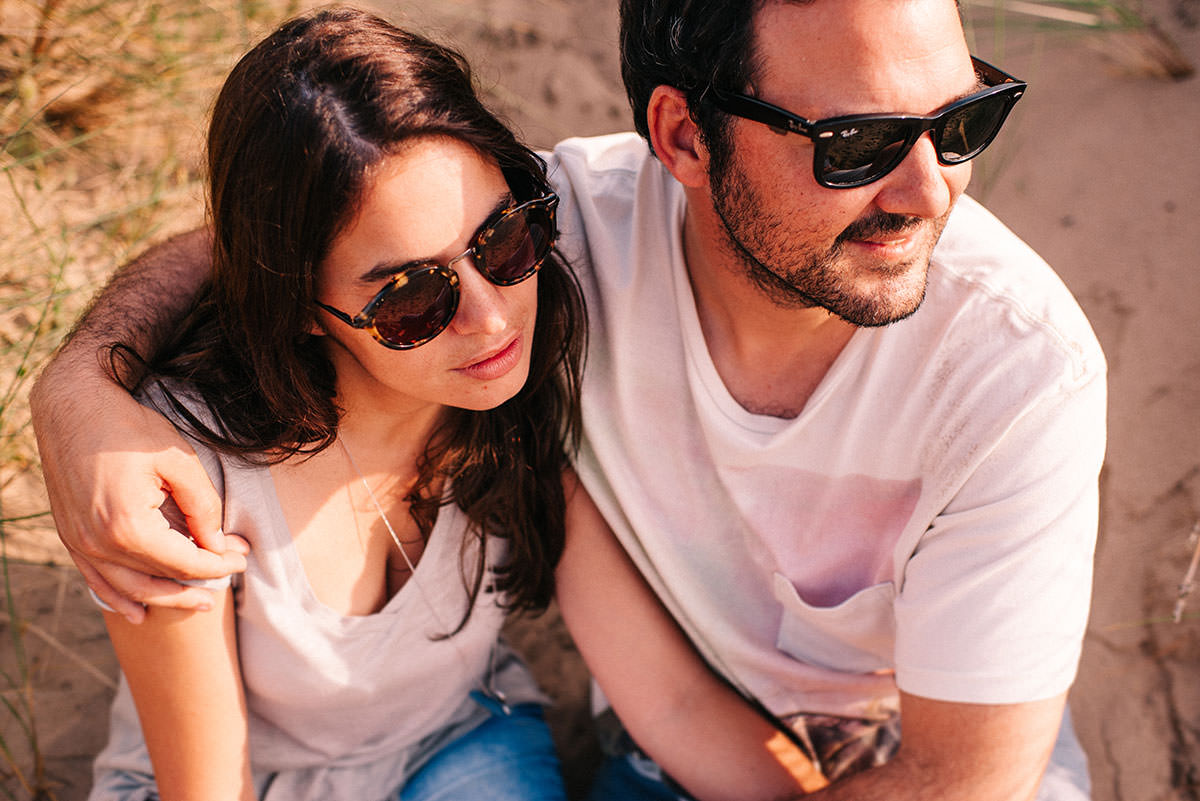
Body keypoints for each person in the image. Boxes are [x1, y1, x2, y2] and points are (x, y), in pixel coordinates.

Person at [31, 1, 1106, 800]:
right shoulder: (574, 247)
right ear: (682, 139)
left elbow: (961, 782)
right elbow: (303, 227)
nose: (931, 194)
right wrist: (82, 391)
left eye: (963, 122)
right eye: (856, 145)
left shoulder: (1018, 373)